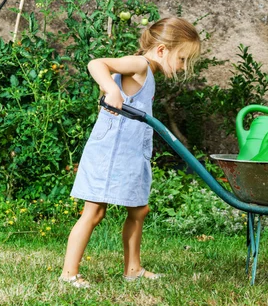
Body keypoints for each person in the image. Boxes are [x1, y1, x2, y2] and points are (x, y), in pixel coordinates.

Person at [59, 17, 201, 288]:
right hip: (111, 151)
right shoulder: (140, 65)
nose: (182, 67)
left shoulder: (148, 72)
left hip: (130, 152)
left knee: (140, 209)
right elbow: (96, 63)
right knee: (94, 212)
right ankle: (69, 274)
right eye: (182, 59)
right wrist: (111, 88)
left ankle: (133, 269)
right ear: (161, 50)